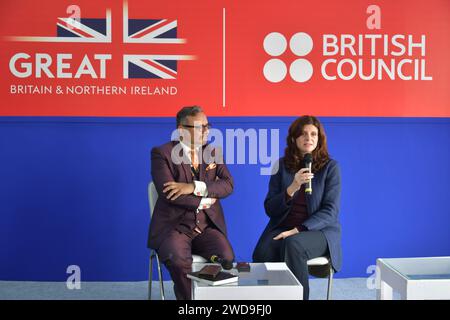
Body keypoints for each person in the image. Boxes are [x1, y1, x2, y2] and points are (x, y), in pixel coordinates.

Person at [147, 106, 235, 300]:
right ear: (181, 130)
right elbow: (169, 193)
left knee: (227, 258)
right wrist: (205, 200)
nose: (206, 131)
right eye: (199, 127)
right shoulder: (162, 153)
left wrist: (194, 187)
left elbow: (228, 185)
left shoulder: (212, 153)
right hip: (174, 227)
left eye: (207, 125)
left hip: (205, 226)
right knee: (179, 261)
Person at [253, 115, 342, 300]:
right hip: (284, 226)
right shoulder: (281, 166)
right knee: (262, 252)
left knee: (293, 244)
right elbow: (270, 208)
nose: (308, 138)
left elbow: (330, 211)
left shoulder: (330, 167)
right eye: (303, 134)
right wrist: (292, 188)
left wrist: (298, 230)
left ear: (319, 139)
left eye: (313, 134)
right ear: (294, 138)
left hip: (319, 232)